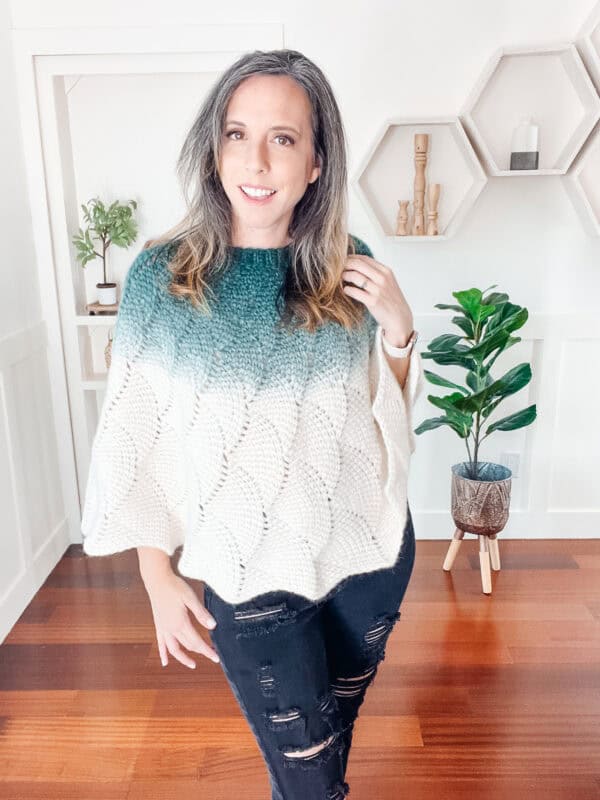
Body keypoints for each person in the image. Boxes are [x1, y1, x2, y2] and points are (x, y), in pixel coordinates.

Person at [81, 48, 424, 800]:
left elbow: (383, 423)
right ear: (213, 150)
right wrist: (153, 570)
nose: (258, 159)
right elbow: (135, 439)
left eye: (284, 138)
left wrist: (399, 333)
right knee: (313, 780)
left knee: (319, 756)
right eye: (238, 134)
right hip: (248, 578)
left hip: (367, 561)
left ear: (315, 164)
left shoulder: (349, 266)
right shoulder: (163, 280)